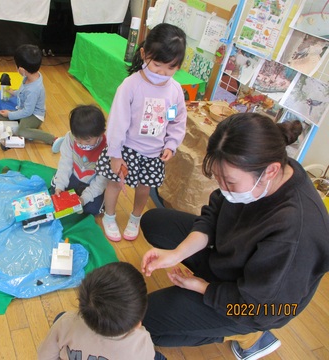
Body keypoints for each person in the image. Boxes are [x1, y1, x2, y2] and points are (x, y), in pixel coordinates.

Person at [140, 113, 329, 360]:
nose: (223, 188)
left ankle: (250, 336)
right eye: (218, 179)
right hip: (232, 261)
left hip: (256, 307)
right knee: (156, 222)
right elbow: (214, 212)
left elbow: (261, 308)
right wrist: (176, 254)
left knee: (143, 321)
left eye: (228, 181)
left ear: (270, 171)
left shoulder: (295, 231)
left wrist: (202, 287)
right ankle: (210, 293)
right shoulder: (271, 171)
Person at [96, 23, 187, 242]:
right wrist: (115, 154)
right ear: (145, 54)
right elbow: (117, 121)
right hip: (126, 148)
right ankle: (109, 216)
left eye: (171, 67)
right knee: (115, 183)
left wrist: (171, 144)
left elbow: (176, 119)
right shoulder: (130, 85)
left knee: (144, 188)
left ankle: (135, 217)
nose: (162, 72)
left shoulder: (175, 90)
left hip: (154, 152)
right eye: (157, 64)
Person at [37, 262, 166, 360]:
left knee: (60, 317)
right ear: (138, 322)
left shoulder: (67, 323)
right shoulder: (142, 343)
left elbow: (45, 356)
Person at [0, 44, 58, 149]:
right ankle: (26, 129)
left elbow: (28, 112)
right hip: (25, 111)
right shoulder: (30, 76)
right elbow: (23, 92)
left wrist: (10, 115)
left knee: (21, 131)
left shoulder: (34, 90)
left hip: (34, 116)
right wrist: (13, 92)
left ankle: (52, 139)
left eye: (16, 66)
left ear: (22, 70)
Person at [51, 104, 108, 215]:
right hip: (74, 175)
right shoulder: (70, 138)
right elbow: (65, 164)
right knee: (55, 192)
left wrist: (83, 199)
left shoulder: (107, 149)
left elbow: (101, 182)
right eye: (78, 139)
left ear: (100, 134)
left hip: (91, 182)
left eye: (87, 141)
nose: (81, 144)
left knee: (93, 210)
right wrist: (60, 186)